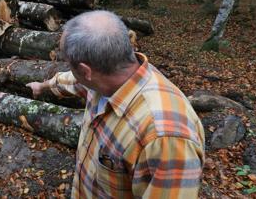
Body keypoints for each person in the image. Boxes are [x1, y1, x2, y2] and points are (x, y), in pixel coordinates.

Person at [27, 11, 205, 198]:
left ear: (86, 71)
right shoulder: (106, 77)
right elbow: (73, 81)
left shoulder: (165, 138)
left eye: (70, 65)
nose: (72, 72)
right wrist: (42, 86)